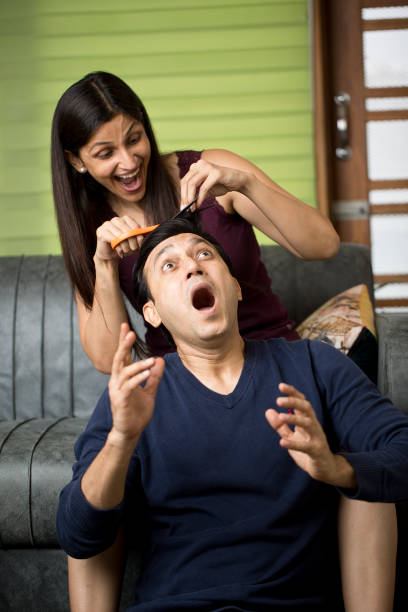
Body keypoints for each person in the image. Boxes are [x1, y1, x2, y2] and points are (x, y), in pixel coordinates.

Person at [57, 215, 407, 611]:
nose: (192, 265)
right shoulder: (134, 394)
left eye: (204, 254)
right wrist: (121, 441)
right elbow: (78, 535)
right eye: (169, 265)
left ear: (236, 288)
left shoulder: (313, 364)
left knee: (369, 476)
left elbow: (400, 450)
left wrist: (336, 467)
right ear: (152, 314)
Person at [51, 70, 340, 374]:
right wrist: (105, 264)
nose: (129, 161)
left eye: (134, 139)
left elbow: (324, 246)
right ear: (77, 161)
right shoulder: (91, 231)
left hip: (269, 359)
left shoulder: (211, 171)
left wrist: (248, 184)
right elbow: (108, 361)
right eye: (106, 153)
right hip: (180, 380)